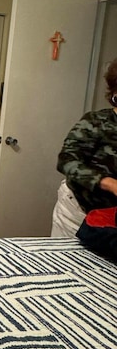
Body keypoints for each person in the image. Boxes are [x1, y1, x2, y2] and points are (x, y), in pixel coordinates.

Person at [51, 58, 117, 237]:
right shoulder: (96, 122)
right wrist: (110, 184)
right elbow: (66, 161)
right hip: (77, 212)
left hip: (111, 218)